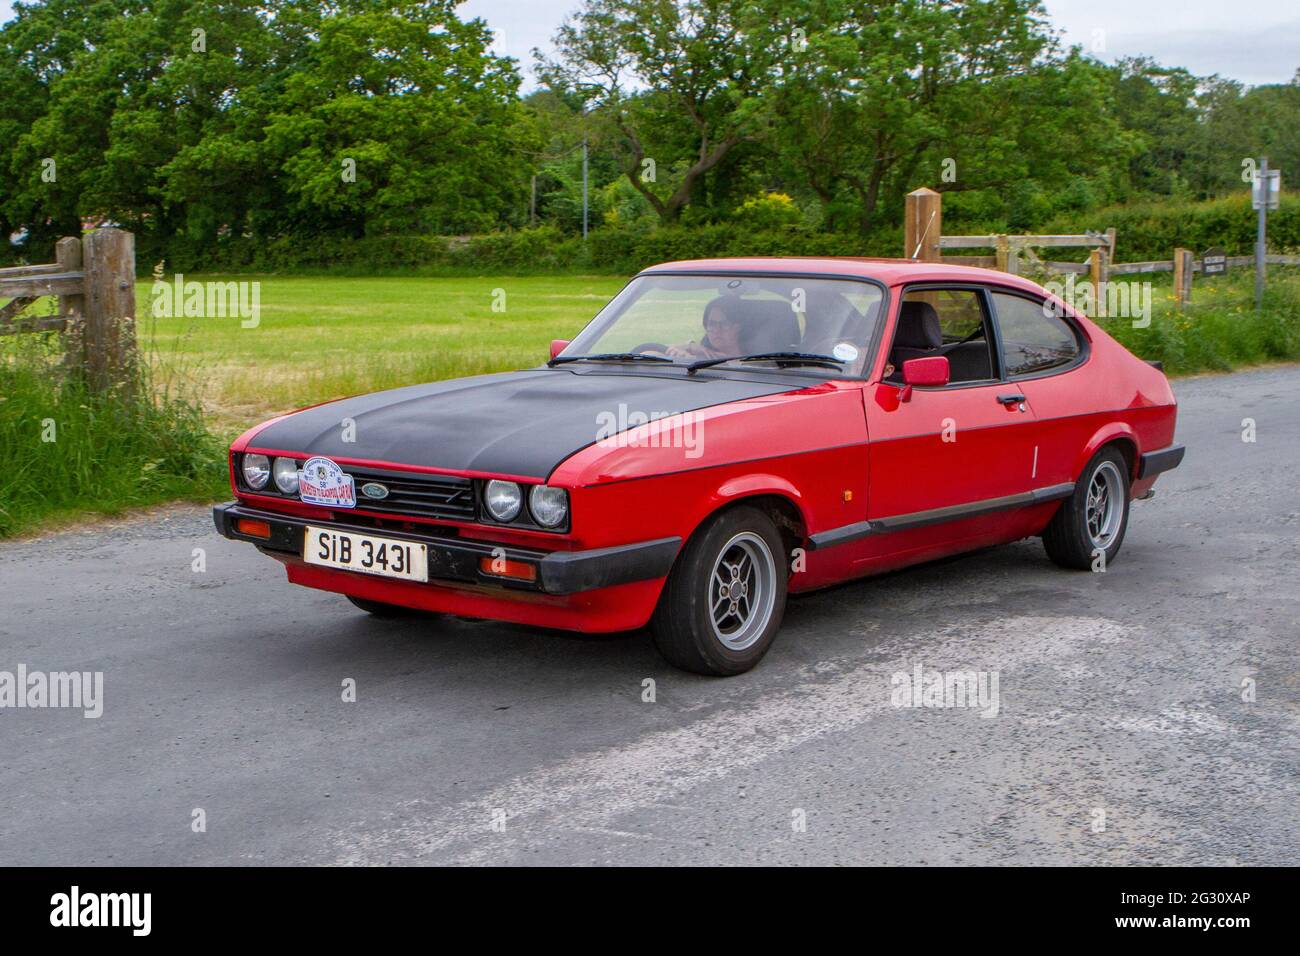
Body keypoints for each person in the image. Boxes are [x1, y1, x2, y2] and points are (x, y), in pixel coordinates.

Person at [664, 297, 744, 360]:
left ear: (739, 327)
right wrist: (689, 347)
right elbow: (654, 349)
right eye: (712, 324)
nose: (717, 330)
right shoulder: (698, 355)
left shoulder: (752, 362)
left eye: (724, 324)